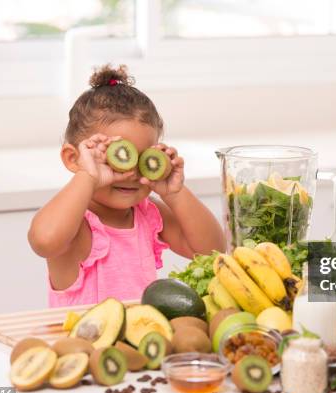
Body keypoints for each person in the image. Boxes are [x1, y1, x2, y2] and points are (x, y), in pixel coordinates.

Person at [28, 64, 225, 307]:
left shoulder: (146, 213)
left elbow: (212, 251)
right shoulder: (77, 224)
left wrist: (175, 193)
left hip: (139, 339)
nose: (131, 173)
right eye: (116, 158)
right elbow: (44, 241)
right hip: (82, 343)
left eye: (142, 159)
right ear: (73, 158)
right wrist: (88, 176)